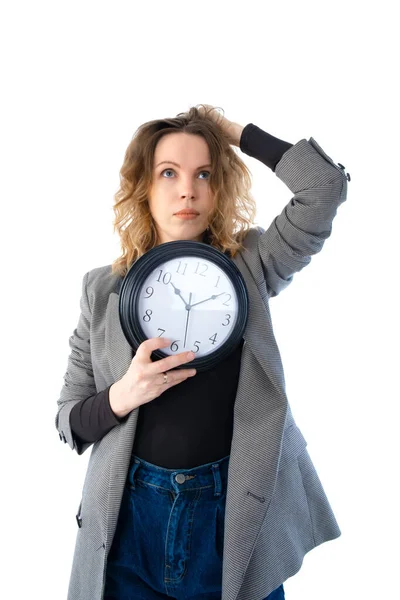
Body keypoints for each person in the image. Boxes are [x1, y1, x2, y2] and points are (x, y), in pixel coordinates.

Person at [56, 104, 350, 600]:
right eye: (168, 173)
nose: (187, 189)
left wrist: (233, 132)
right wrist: (123, 395)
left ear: (219, 187)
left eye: (204, 173)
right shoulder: (101, 290)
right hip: (130, 523)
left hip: (233, 517)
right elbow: (68, 421)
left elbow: (323, 188)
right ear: (143, 187)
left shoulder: (253, 265)